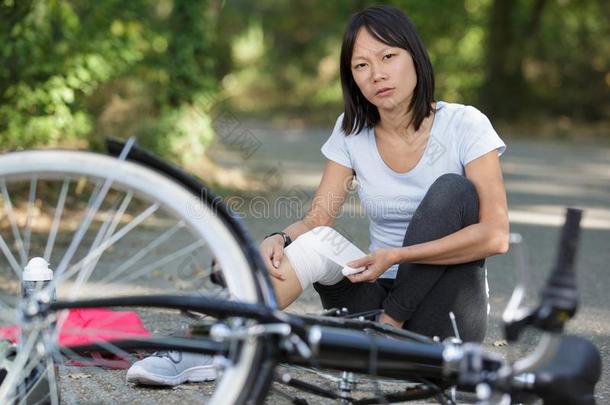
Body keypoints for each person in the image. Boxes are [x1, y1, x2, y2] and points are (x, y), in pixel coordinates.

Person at [126, 4, 508, 387]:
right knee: (318, 242)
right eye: (361, 66)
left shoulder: (464, 124)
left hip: (445, 317)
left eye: (388, 56)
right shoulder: (351, 132)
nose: (377, 74)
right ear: (352, 78)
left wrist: (397, 257)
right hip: (374, 305)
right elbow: (317, 219)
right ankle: (205, 350)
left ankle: (388, 329)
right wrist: (279, 238)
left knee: (451, 190)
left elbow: (495, 234)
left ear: (415, 57)